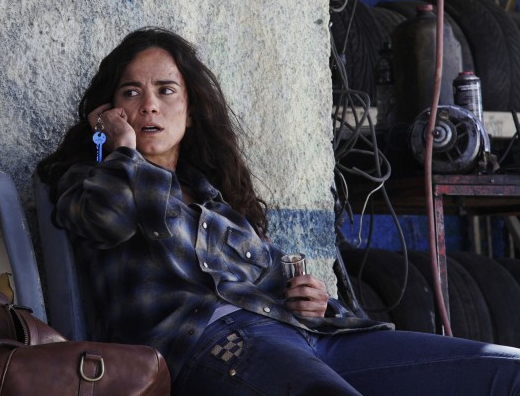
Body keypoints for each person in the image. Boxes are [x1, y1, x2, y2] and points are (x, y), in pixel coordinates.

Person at [38, 27, 520, 395]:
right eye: (131, 93)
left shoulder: (211, 196)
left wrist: (311, 298)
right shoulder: (90, 181)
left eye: (166, 90)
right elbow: (107, 219)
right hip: (212, 346)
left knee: (505, 371)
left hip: (308, 333)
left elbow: (268, 279)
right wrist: (120, 149)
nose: (149, 106)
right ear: (110, 111)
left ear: (191, 108)